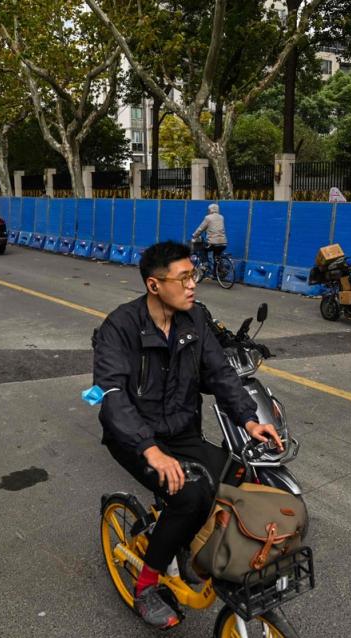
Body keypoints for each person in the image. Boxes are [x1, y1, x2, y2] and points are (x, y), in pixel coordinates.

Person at [92, 241, 283, 629]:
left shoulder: (194, 320)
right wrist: (150, 450)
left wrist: (248, 419)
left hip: (182, 431)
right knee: (191, 494)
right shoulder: (120, 327)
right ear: (154, 285)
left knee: (237, 476)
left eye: (193, 275)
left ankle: (186, 545)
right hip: (135, 439)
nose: (193, 285)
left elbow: (220, 373)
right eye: (183, 278)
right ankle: (146, 586)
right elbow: (111, 396)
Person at [191, 203, 227, 270]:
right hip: (223, 243)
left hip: (213, 243)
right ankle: (216, 274)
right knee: (216, 257)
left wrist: (194, 235)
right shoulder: (221, 217)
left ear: (210, 210)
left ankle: (205, 264)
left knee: (202, 248)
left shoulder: (208, 218)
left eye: (208, 210)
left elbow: (201, 228)